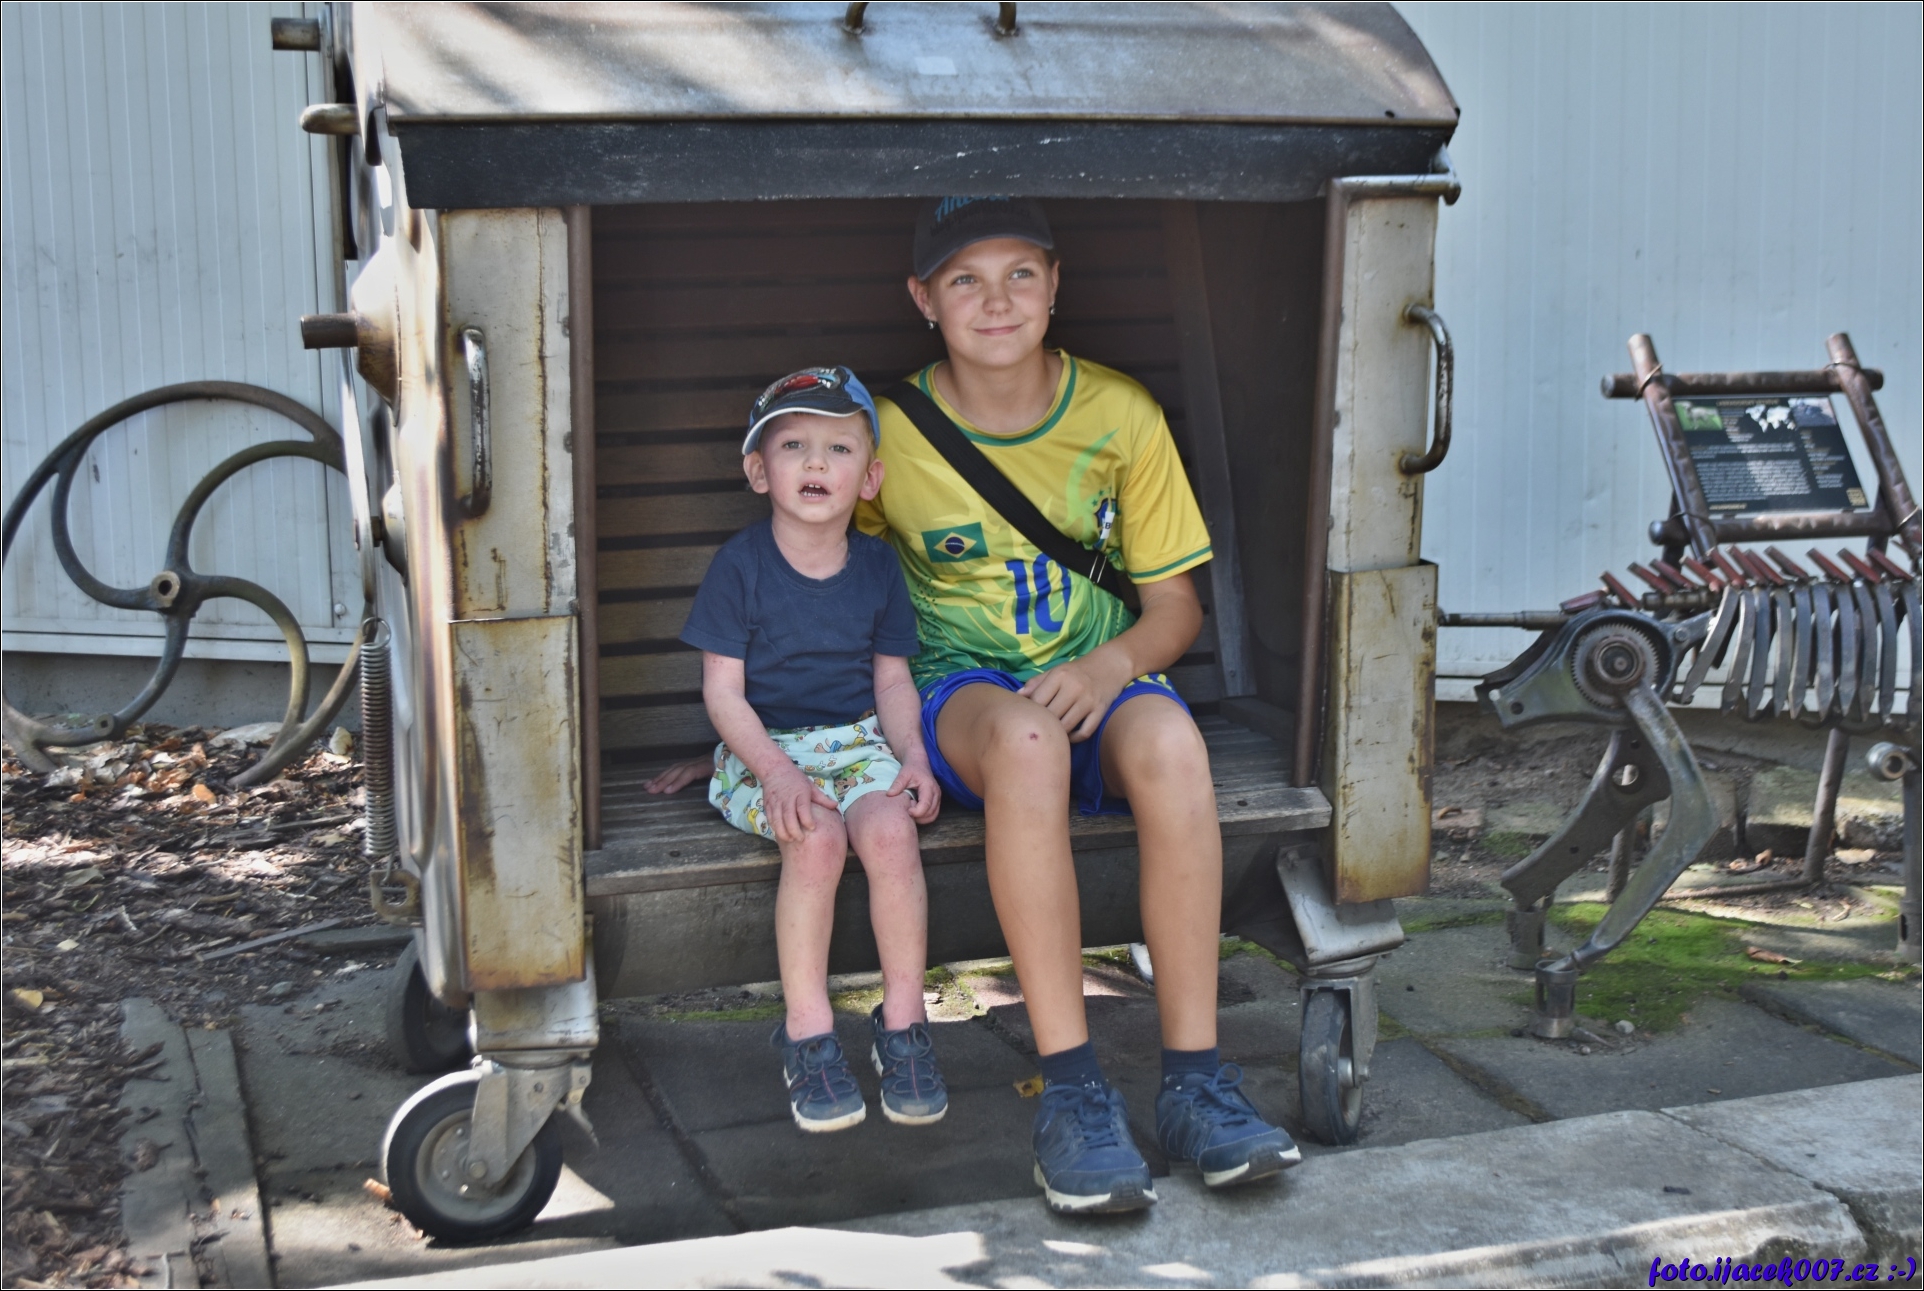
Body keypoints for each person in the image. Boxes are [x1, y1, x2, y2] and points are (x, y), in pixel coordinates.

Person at [860, 197, 1299, 1214]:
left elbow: (1174, 607)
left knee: (1174, 743)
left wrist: (1106, 672)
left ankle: (1195, 1083)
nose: (997, 300)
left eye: (1021, 273)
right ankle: (1071, 1092)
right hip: (966, 696)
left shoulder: (1119, 413)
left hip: (1100, 676)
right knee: (1025, 740)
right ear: (923, 299)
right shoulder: (888, 433)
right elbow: (838, 587)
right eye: (965, 279)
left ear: (1056, 285)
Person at [674, 366, 947, 1133]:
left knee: (890, 830)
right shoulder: (741, 566)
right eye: (793, 444)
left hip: (857, 741)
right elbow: (724, 694)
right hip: (763, 751)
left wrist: (914, 758)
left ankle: (904, 1023)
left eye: (839, 447)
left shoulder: (878, 566)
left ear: (870, 478)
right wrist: (776, 772)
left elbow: (892, 681)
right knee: (817, 838)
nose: (816, 461)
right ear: (760, 471)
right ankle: (808, 1032)